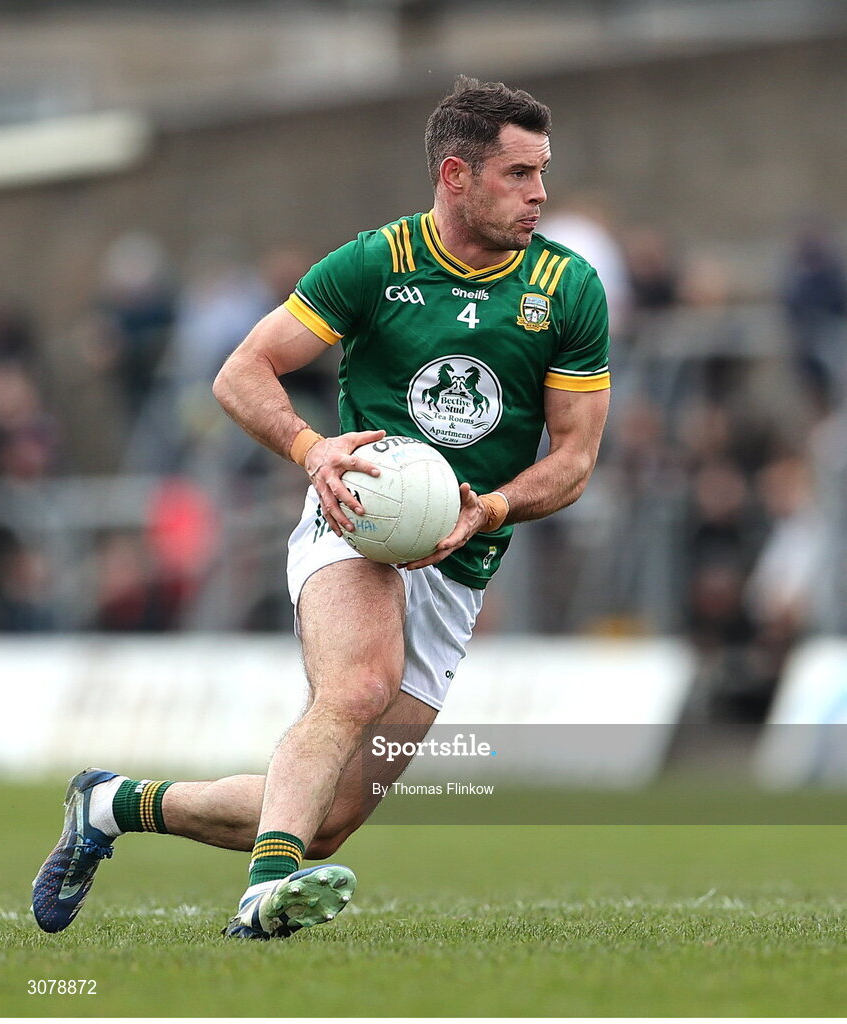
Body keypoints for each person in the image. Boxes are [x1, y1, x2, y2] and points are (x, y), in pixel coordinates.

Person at [32, 77, 611, 941]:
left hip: (461, 558)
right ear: (455, 176)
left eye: (542, 173)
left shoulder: (568, 288)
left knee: (327, 820)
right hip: (356, 521)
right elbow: (241, 372)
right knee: (358, 685)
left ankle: (111, 805)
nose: (539, 194)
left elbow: (574, 459)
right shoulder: (376, 263)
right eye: (518, 174)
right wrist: (313, 451)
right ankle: (264, 895)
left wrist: (488, 509)